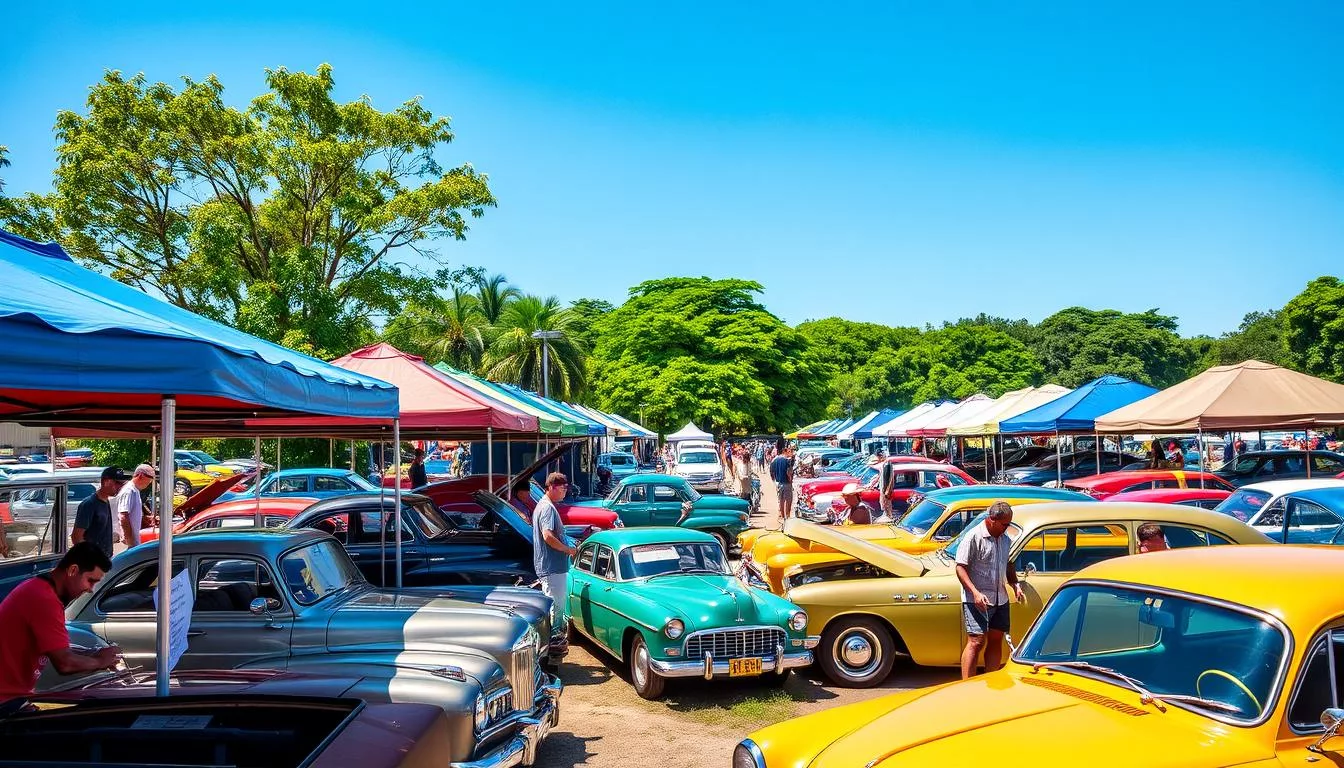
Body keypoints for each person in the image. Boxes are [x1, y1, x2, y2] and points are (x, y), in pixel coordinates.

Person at [0, 542, 121, 699]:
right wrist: (100, 662)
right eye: (90, 581)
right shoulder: (44, 599)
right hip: (6, 700)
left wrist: (93, 654)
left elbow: (56, 649)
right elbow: (65, 663)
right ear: (73, 570)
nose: (91, 589)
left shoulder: (40, 589)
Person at [955, 501, 1023, 680]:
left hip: (1000, 598)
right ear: (992, 520)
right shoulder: (974, 537)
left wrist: (1014, 584)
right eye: (1004, 524)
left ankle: (989, 680)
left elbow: (1008, 564)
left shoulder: (1005, 538)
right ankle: (967, 685)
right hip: (976, 599)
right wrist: (975, 593)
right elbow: (960, 567)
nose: (1006, 528)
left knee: (996, 639)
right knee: (976, 641)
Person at [533, 472, 577, 656]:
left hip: (551, 567)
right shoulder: (547, 508)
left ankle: (551, 650)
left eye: (566, 487)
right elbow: (548, 536)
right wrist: (568, 550)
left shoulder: (544, 506)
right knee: (556, 610)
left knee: (555, 608)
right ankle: (551, 652)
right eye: (562, 488)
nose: (565, 491)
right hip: (553, 568)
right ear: (551, 487)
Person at [72, 467, 128, 557]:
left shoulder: (106, 501)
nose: (120, 487)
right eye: (117, 483)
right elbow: (76, 537)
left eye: (122, 484)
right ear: (105, 481)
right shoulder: (89, 504)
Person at [115, 464, 155, 548]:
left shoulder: (135, 490)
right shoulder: (129, 491)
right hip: (131, 542)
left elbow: (131, 514)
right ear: (141, 475)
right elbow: (123, 516)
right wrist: (130, 540)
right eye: (149, 480)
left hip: (134, 541)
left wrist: (144, 519)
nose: (149, 483)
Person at [769, 445, 795, 519]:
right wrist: (790, 479)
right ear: (785, 452)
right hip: (786, 483)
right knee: (788, 500)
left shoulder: (775, 460)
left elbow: (771, 471)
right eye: (789, 452)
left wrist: (774, 480)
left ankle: (782, 516)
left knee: (781, 500)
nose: (790, 454)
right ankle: (788, 515)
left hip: (779, 483)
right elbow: (788, 472)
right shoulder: (787, 461)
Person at [876, 451, 895, 520]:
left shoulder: (888, 464)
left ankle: (889, 517)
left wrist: (888, 489)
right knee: (884, 503)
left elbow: (889, 478)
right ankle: (887, 515)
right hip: (883, 489)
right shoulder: (884, 465)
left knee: (887, 504)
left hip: (886, 489)